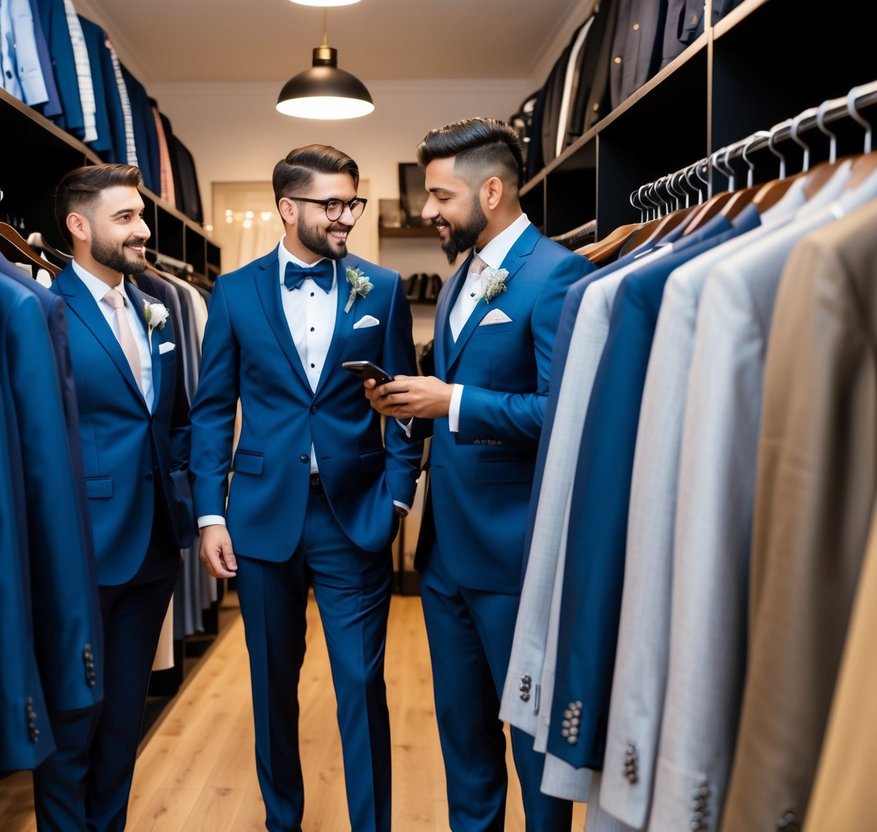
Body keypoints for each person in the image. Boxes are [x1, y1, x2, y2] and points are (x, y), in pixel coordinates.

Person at [365, 118, 593, 831]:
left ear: (490, 190)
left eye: (438, 195)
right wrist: (411, 398)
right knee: (463, 744)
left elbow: (566, 413)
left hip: (515, 555)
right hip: (444, 556)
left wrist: (452, 400)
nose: (426, 210)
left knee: (530, 750)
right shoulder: (465, 272)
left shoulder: (559, 275)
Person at [190, 144, 422, 832]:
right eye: (330, 203)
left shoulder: (379, 288)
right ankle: (281, 822)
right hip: (260, 519)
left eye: (350, 202)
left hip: (355, 515)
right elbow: (210, 410)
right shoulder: (232, 292)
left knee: (360, 684)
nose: (344, 215)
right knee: (272, 687)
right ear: (287, 208)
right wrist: (210, 515)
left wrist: (399, 496)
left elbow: (406, 403)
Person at [35, 163, 196, 831]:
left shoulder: (153, 303)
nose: (142, 228)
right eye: (124, 216)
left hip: (154, 546)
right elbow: (34, 435)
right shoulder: (44, 311)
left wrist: (188, 498)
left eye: (140, 214)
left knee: (122, 724)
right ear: (78, 226)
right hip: (81, 548)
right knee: (73, 727)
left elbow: (175, 416)